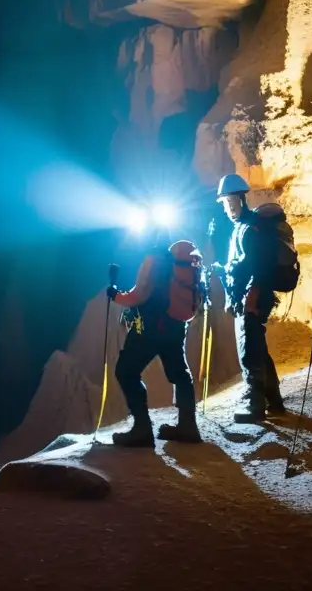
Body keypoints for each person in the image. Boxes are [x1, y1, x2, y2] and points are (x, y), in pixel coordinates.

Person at [106, 234, 204, 447]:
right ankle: (188, 426)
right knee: (179, 372)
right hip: (176, 324)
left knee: (126, 371)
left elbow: (139, 295)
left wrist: (115, 296)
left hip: (151, 325)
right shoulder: (175, 260)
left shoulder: (154, 259)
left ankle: (142, 429)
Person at [214, 174, 286, 423]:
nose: (226, 207)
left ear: (237, 199)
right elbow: (241, 265)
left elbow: (260, 267)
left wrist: (251, 297)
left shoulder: (251, 229)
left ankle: (254, 405)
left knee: (249, 351)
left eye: (227, 202)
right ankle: (274, 400)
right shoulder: (243, 228)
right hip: (247, 296)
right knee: (258, 348)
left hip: (252, 298)